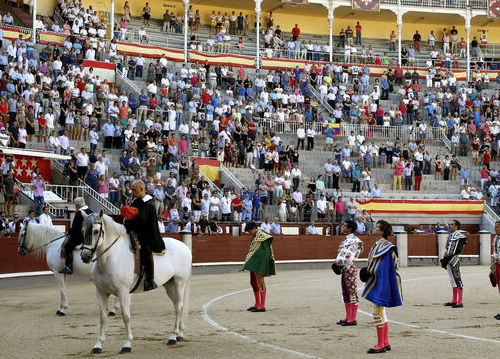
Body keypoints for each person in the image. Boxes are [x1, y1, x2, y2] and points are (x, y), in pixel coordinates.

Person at [361, 220, 403, 354]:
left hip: (381, 282)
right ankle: (385, 342)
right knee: (381, 312)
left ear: (382, 231)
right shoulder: (381, 245)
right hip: (381, 281)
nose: (374, 228)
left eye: (377, 227)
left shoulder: (385, 246)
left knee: (377, 312)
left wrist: (369, 272)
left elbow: (382, 268)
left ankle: (380, 344)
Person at [124, 180, 166, 291]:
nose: (131, 192)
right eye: (131, 189)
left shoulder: (149, 202)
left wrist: (131, 219)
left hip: (147, 235)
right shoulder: (136, 201)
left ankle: (150, 279)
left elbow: (142, 220)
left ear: (142, 189)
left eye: (134, 189)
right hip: (134, 233)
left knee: (146, 250)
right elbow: (131, 218)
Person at [333, 220, 363, 327]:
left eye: (345, 226)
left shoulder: (354, 240)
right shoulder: (346, 240)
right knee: (345, 292)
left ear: (350, 228)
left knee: (352, 292)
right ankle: (348, 316)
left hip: (349, 268)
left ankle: (353, 318)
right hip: (344, 269)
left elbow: (350, 255)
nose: (342, 227)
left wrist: (340, 263)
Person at [243, 221, 276, 312]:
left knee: (260, 283)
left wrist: (262, 263)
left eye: (250, 231)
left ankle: (262, 305)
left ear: (254, 228)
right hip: (254, 262)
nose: (249, 233)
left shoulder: (262, 236)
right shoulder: (254, 236)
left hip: (259, 263)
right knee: (253, 282)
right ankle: (257, 304)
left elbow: (266, 251)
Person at [59, 198, 92, 274]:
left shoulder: (80, 213)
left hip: (81, 237)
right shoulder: (90, 211)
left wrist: (69, 232)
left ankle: (68, 266)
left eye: (75, 205)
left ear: (77, 205)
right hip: (89, 236)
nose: (75, 206)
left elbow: (75, 228)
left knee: (67, 247)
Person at [442, 220, 467, 308]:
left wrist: (448, 254)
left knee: (457, 279)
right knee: (452, 279)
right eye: (450, 224)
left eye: (452, 224)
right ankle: (454, 300)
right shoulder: (451, 235)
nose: (450, 226)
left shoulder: (459, 235)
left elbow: (459, 248)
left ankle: (460, 301)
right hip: (449, 259)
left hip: (454, 259)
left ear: (456, 226)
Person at [491, 221, 500, 319]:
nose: (495, 229)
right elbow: (494, 253)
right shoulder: (496, 238)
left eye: (497, 227)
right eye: (495, 227)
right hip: (498, 265)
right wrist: (492, 268)